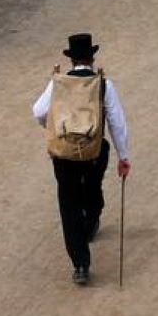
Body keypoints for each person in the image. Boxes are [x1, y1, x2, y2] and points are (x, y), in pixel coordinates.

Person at [33, 33, 131, 286]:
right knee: (92, 190)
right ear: (92, 57)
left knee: (69, 204)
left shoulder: (58, 83)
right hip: (93, 152)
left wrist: (53, 128)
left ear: (71, 59)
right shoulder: (103, 84)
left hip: (64, 154)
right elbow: (117, 123)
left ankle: (80, 264)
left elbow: (39, 111)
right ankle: (92, 218)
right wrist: (124, 157)